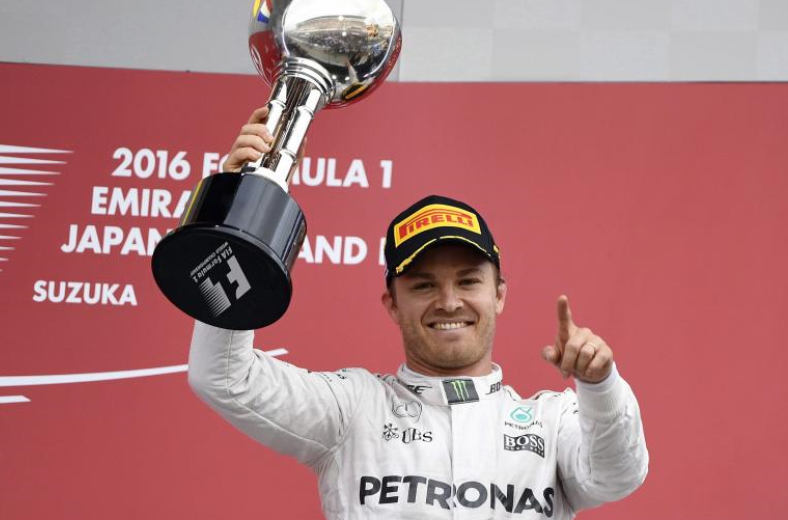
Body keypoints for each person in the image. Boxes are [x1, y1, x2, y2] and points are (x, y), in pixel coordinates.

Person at [187, 107, 649, 519]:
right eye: (424, 285)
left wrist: (600, 385)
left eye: (468, 281)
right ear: (392, 304)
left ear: (499, 295)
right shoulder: (354, 409)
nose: (449, 301)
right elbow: (224, 376)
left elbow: (618, 475)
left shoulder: (553, 421)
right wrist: (239, 211)